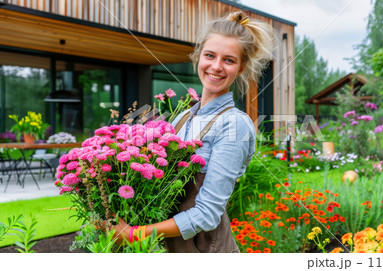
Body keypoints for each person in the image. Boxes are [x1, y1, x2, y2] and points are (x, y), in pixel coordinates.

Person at [113, 11, 275, 253]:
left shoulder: (234, 125)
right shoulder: (182, 117)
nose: (216, 66)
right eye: (210, 55)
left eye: (229, 60)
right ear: (199, 56)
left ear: (241, 67)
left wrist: (137, 234)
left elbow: (207, 214)